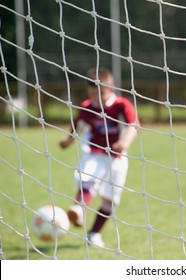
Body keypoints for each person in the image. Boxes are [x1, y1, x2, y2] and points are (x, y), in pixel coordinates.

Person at [59, 67, 139, 247]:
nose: (96, 98)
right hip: (94, 151)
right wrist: (67, 141)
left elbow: (133, 126)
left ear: (111, 89)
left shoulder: (122, 105)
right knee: (88, 178)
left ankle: (94, 234)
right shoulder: (87, 107)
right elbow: (77, 127)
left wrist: (124, 142)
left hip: (116, 157)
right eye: (92, 94)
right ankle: (79, 208)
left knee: (110, 200)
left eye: (100, 94)